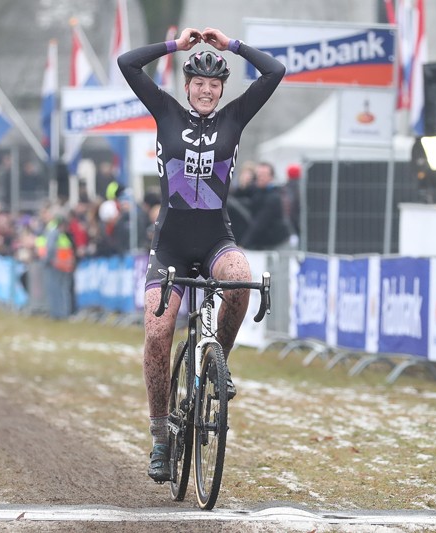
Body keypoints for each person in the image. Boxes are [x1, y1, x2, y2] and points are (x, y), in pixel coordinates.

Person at [118, 26, 285, 482]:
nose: (207, 90)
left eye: (214, 85)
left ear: (221, 89)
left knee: (240, 275)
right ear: (187, 85)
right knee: (157, 332)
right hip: (170, 244)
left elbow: (275, 71)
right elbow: (127, 63)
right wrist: (177, 45)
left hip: (214, 240)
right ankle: (159, 436)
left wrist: (231, 45)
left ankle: (219, 363)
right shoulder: (166, 111)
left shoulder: (234, 118)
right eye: (199, 83)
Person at [239, 161, 292, 250]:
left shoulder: (274, 197)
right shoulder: (256, 190)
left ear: (271, 177)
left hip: (279, 244)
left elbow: (260, 222)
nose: (260, 177)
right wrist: (244, 184)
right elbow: (235, 196)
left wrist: (243, 245)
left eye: (264, 174)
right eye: (258, 175)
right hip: (267, 244)